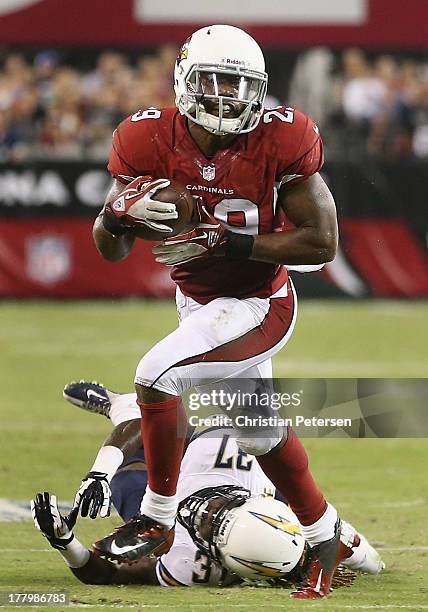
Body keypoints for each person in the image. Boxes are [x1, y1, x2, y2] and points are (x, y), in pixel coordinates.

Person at [90, 24, 343, 599]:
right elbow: (109, 249)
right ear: (184, 82)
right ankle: (327, 537)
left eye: (240, 85)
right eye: (216, 82)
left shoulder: (282, 138)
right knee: (261, 433)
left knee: (156, 373)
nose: (229, 97)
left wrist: (228, 243)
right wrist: (115, 217)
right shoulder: (146, 138)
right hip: (198, 301)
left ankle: (155, 516)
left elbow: (320, 242)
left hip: (258, 302)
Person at [31, 382, 384, 588]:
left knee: (127, 487)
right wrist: (99, 471)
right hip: (218, 462)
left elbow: (104, 572)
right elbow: (358, 550)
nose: (202, 511)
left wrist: (64, 542)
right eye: (219, 510)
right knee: (155, 421)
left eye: (209, 524)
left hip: (185, 501)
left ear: (218, 555)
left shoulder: (192, 567)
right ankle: (119, 404)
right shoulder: (239, 454)